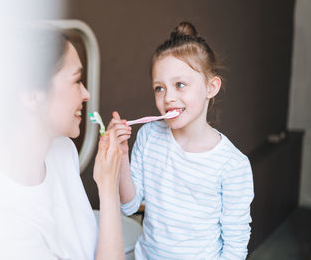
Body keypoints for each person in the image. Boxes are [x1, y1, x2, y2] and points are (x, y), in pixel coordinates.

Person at [108, 22, 254, 259]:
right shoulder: (148, 136)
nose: (169, 98)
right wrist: (122, 155)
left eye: (180, 85)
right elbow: (130, 206)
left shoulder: (232, 165)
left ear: (211, 87)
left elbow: (235, 245)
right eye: (159, 88)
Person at [0, 27, 125, 260]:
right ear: (32, 95)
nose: (86, 94)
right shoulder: (3, 223)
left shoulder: (64, 152)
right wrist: (108, 191)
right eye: (77, 81)